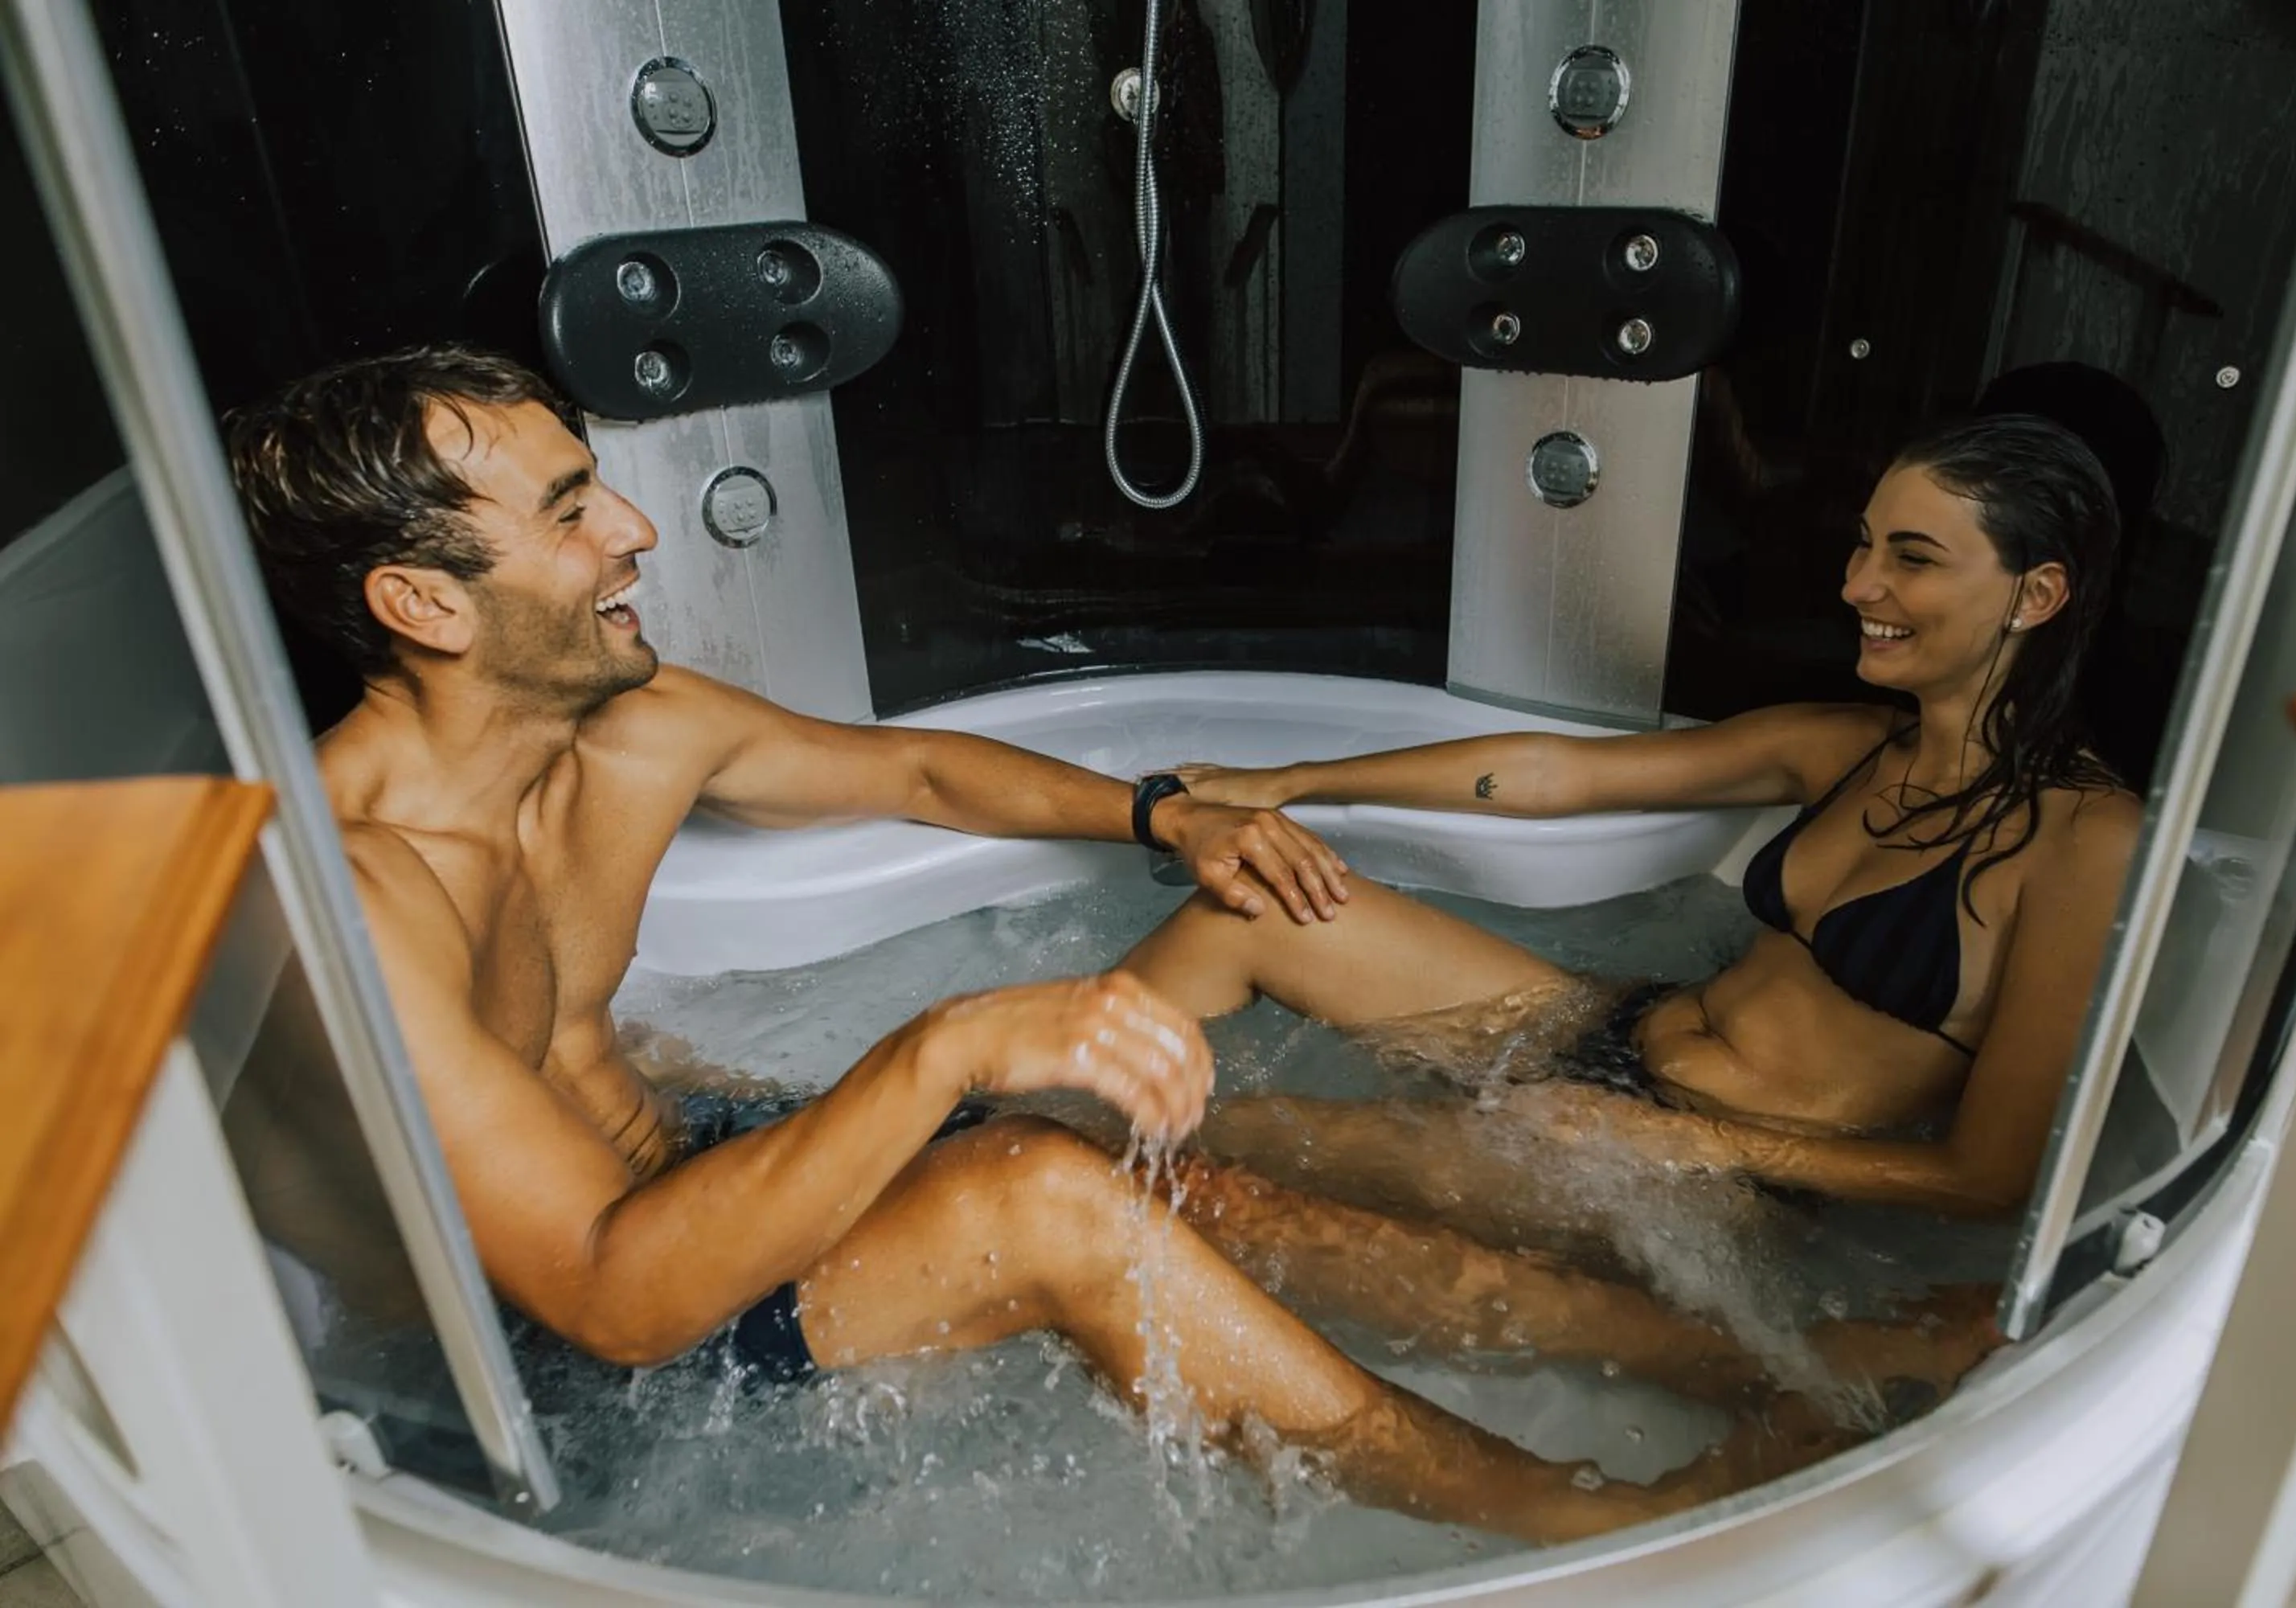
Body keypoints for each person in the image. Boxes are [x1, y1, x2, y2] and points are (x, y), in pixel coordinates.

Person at [223, 345, 1929, 1546]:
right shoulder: (356, 889)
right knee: (1040, 1196)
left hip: (699, 1167)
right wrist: (949, 1044)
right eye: (572, 507)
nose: (637, 533)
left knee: (1178, 1171)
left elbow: (911, 766)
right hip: (554, 1368)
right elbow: (614, 1294)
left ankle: (1751, 1359)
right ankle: (1581, 1519)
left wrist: (1156, 818)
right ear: (424, 603)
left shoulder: (628, 724)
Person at [1121, 414, 2142, 1229]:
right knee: (1244, 907)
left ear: (2036, 593)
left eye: (1912, 558)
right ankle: (1011, 1086)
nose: (1856, 585)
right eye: (1864, 543)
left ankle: (1018, 1159)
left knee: (1251, 1137)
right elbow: (1551, 774)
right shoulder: (1852, 743)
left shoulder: (2087, 842)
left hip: (1724, 1176)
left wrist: (1686, 1148)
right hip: (1609, 1031)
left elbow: (1986, 1177)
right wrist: (1291, 781)